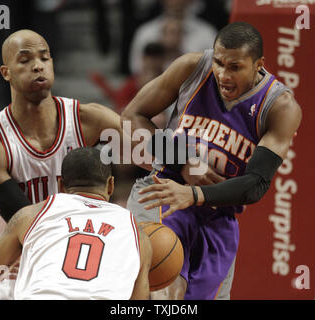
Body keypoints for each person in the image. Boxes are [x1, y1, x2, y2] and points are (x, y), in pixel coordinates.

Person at [121, 22, 302, 300]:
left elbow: (255, 185)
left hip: (218, 215)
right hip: (164, 193)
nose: (223, 74)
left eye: (235, 67)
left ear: (258, 64)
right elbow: (131, 116)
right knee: (164, 290)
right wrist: (182, 161)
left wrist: (194, 194)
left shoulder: (280, 107)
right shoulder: (192, 67)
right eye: (218, 63)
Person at [0, 29, 128, 226]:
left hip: (73, 244)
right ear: (6, 73)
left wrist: (190, 191)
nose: (38, 66)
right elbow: (23, 223)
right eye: (25, 60)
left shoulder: (89, 118)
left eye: (45, 58)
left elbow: (158, 153)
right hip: (19, 248)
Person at [0, 147, 152, 299]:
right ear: (111, 185)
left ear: (61, 185)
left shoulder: (30, 215)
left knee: (5, 288)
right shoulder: (136, 232)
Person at [129, 0, 217, 75]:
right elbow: (136, 71)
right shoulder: (145, 32)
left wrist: (178, 52)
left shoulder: (207, 33)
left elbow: (214, 71)